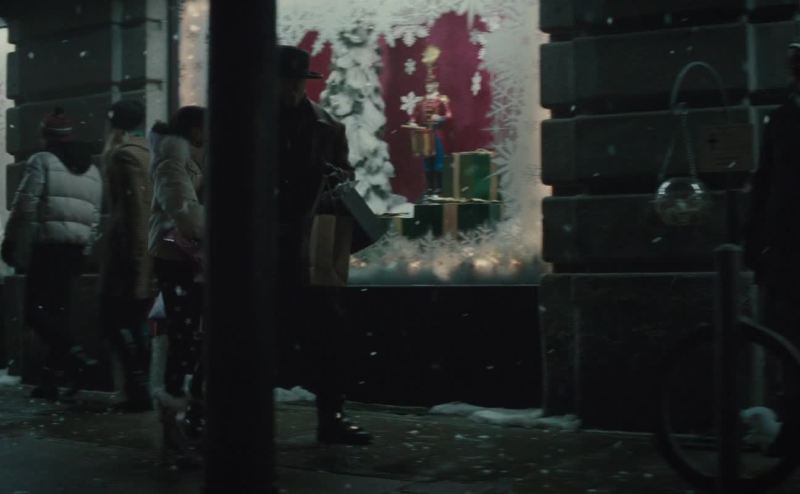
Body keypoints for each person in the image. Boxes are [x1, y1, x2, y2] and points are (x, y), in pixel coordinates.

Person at [277, 45, 372, 445]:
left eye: (298, 82)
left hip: (316, 238)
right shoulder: (249, 123)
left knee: (329, 332)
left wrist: (335, 182)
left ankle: (331, 416)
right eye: (286, 81)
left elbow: (345, 174)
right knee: (253, 331)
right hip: (269, 243)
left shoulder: (327, 126)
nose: (292, 89)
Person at [1, 107, 103, 400]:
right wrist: (86, 248)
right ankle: (51, 380)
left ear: (46, 136)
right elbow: (95, 216)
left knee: (35, 314)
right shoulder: (92, 169)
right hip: (74, 251)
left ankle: (77, 357)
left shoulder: (42, 161)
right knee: (59, 314)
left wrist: (11, 242)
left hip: (47, 248)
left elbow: (25, 204)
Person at [744, 41, 800, 458]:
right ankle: (793, 429)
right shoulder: (782, 119)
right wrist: (755, 246)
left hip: (786, 251)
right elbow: (764, 185)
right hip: (786, 253)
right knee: (789, 346)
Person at [148, 107, 206, 465]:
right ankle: (175, 422)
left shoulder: (187, 156)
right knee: (183, 337)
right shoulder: (173, 156)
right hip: (177, 259)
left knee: (191, 337)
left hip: (188, 259)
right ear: (193, 130)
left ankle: (186, 416)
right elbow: (184, 212)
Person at [99, 100, 155, 411]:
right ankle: (139, 386)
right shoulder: (148, 152)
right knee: (136, 321)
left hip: (127, 251)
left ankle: (138, 387)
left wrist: (135, 257)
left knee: (112, 320)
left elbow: (134, 211)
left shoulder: (123, 156)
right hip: (145, 247)